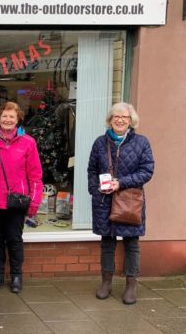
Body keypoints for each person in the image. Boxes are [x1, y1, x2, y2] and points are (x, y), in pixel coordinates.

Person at [87, 102, 154, 304]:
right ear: (110, 119)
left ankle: (131, 285)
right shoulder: (100, 142)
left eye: (124, 117)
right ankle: (106, 282)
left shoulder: (142, 142)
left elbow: (147, 171)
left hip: (129, 201)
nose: (120, 120)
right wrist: (95, 191)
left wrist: (121, 183)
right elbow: (91, 170)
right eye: (116, 116)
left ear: (131, 120)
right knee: (107, 243)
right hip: (104, 201)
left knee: (131, 244)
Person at [0, 101, 43, 294]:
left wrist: (33, 202)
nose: (8, 120)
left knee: (15, 239)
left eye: (12, 117)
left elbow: (35, 175)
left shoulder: (28, 143)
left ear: (18, 120)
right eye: (5, 116)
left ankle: (16, 275)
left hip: (17, 200)